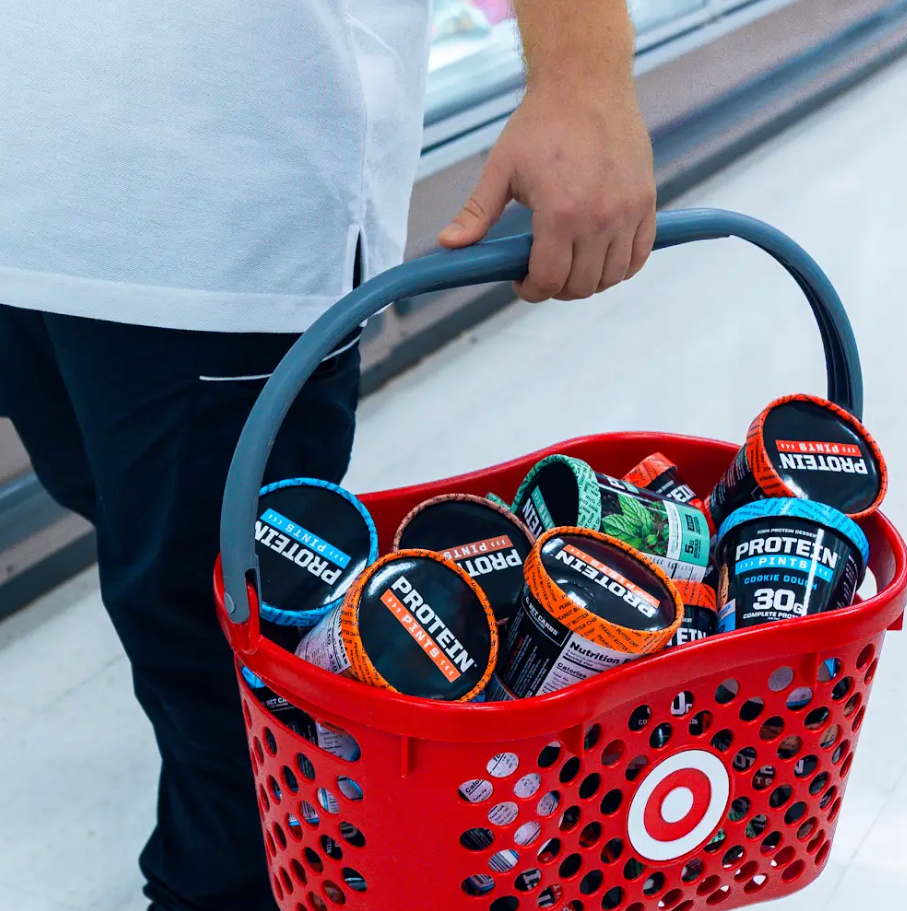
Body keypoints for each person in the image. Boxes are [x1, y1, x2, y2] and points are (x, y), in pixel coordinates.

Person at [0, 2, 655, 909]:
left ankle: (237, 885)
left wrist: (582, 75)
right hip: (28, 200)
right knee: (137, 549)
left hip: (211, 204)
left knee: (216, 639)